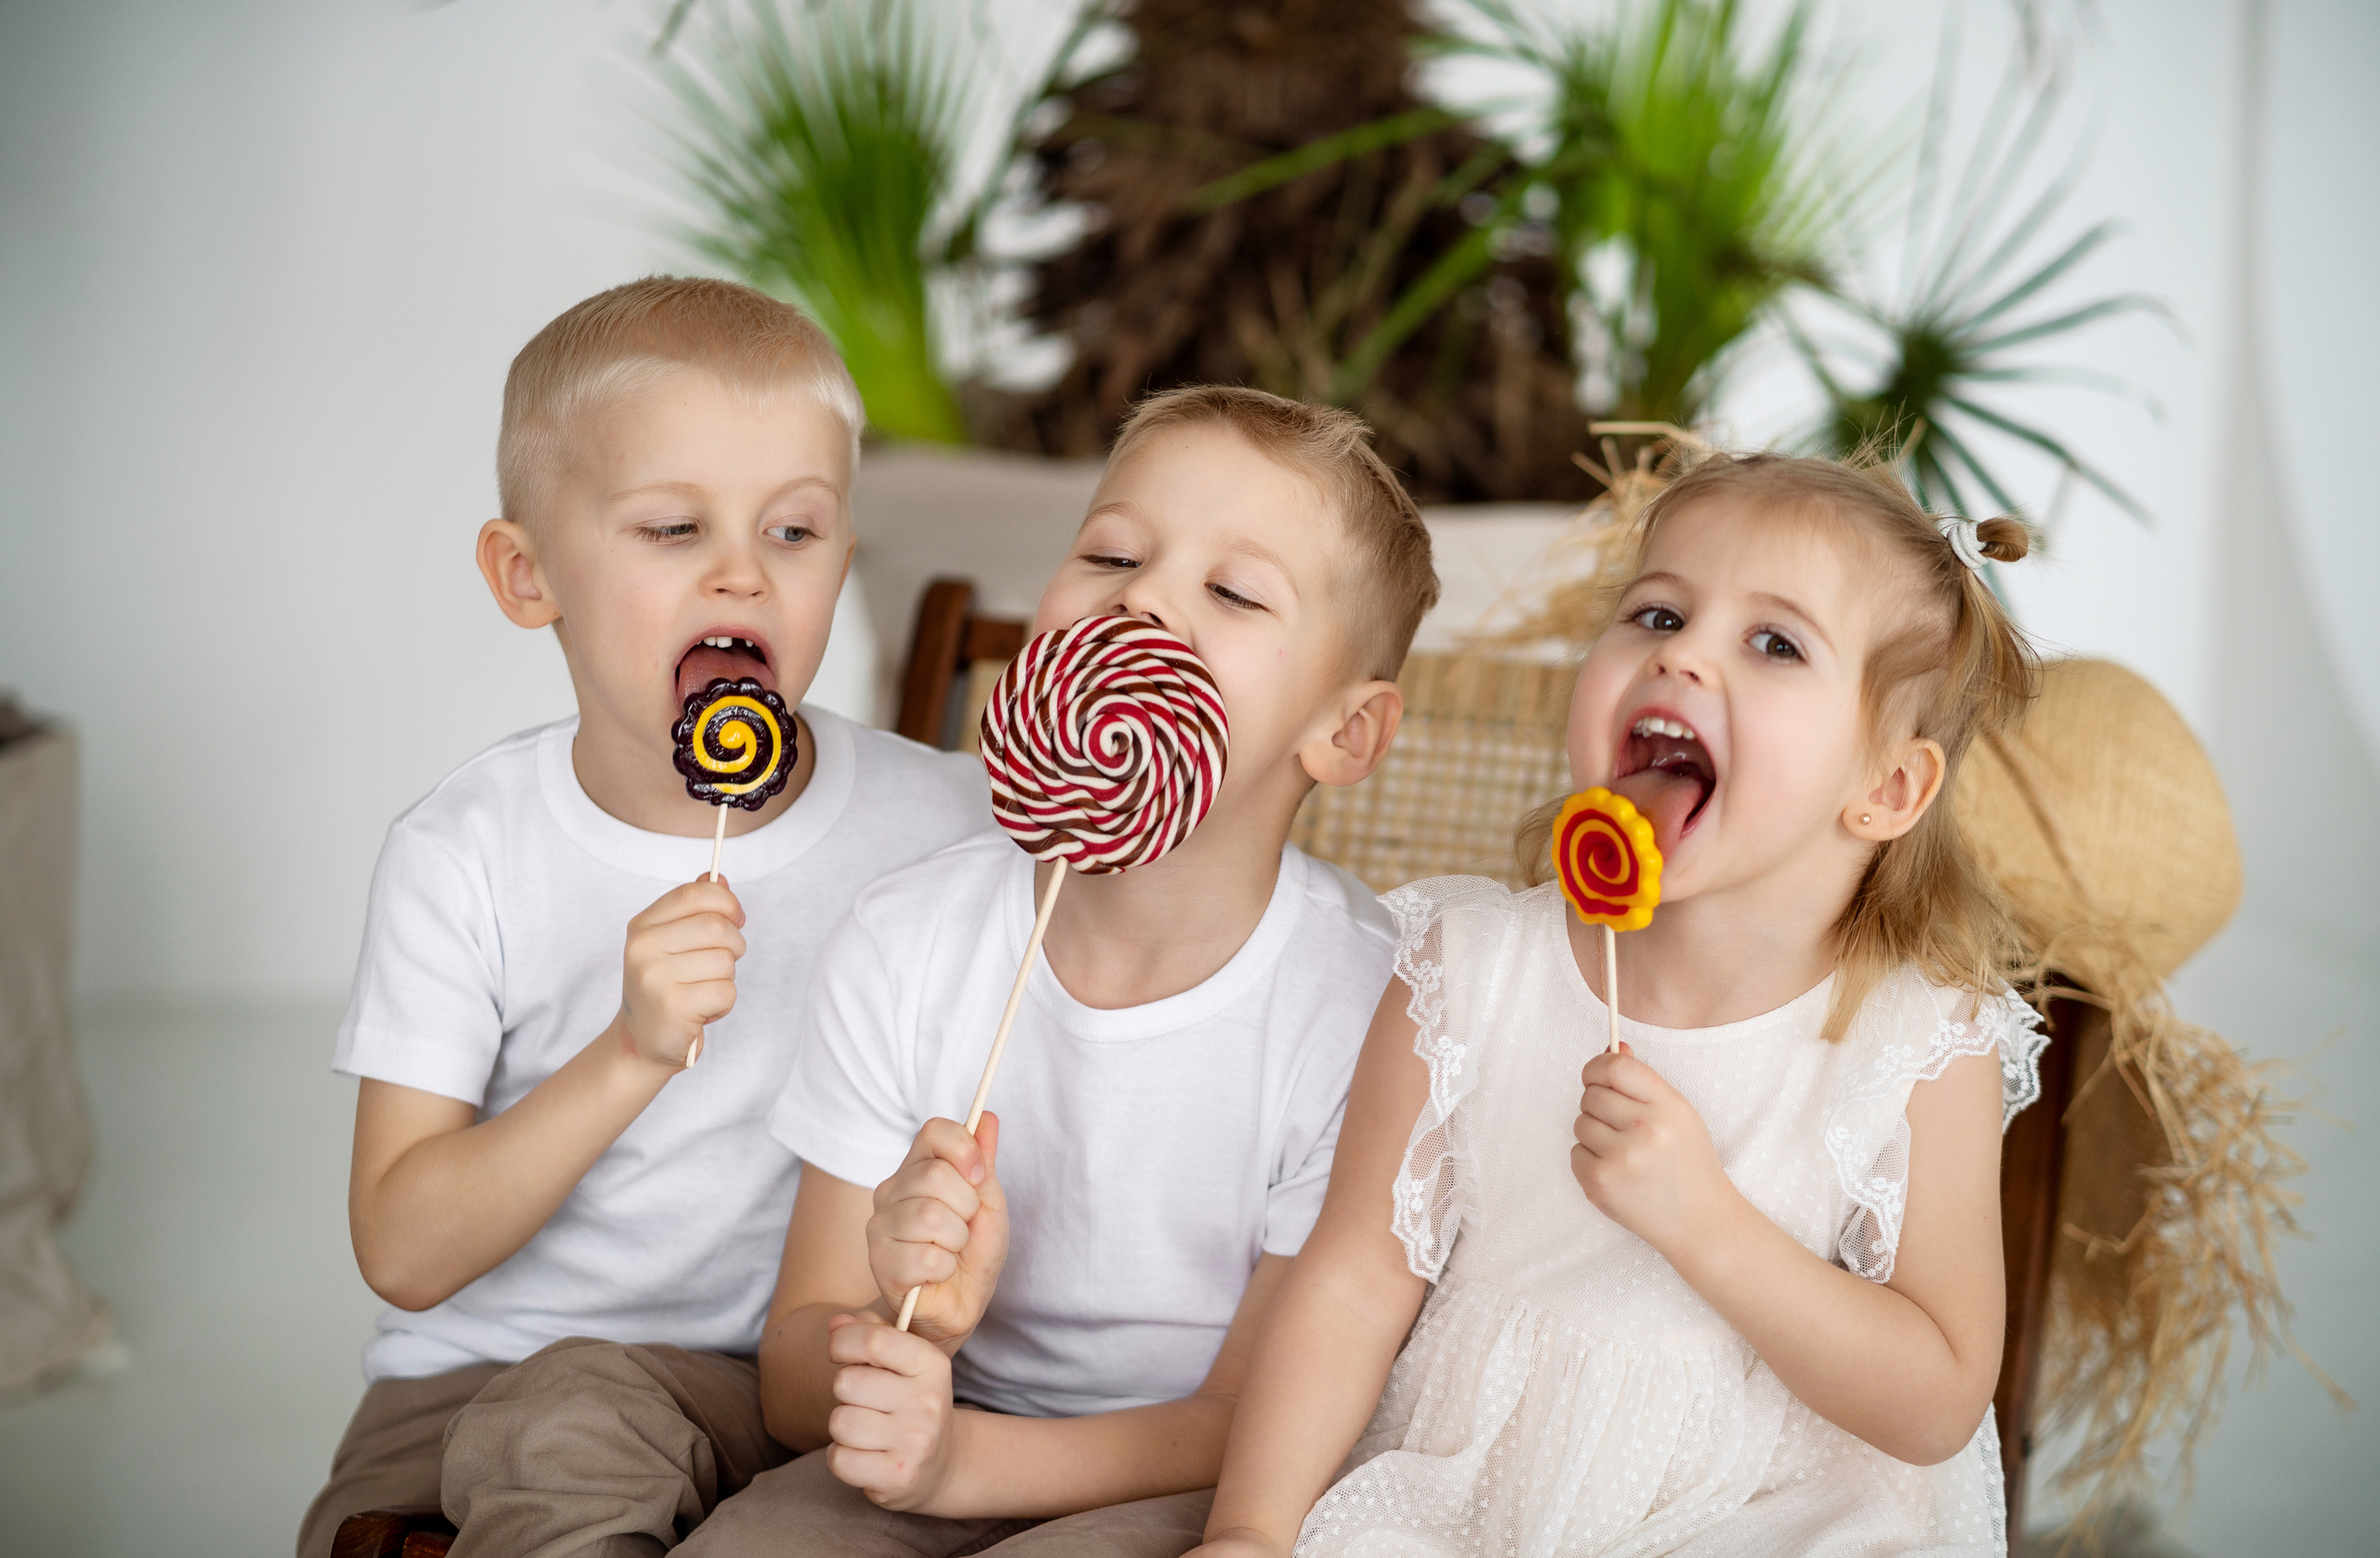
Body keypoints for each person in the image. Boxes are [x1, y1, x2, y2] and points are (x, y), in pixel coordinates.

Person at [1192, 452, 2052, 1557]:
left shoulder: (1916, 1042)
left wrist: (1706, 1224)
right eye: (1656, 613)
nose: (1682, 654)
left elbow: (1934, 1398)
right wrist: (1251, 1531)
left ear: (1885, 788)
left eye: (1774, 642)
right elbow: (1355, 1282)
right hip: (1471, 1492)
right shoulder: (1472, 971)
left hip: (1768, 1513)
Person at [680, 386, 1442, 1556]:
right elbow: (795, 1374)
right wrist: (900, 1319)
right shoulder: (909, 942)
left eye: (1232, 591)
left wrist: (963, 1466)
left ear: (1346, 734)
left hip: (1181, 1478)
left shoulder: (1363, 1009)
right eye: (1110, 553)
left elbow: (1252, 1423)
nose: (1141, 597)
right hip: (931, 1431)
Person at [298, 277, 992, 1558]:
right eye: (673, 526)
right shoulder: (466, 853)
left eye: (796, 531)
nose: (741, 570)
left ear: (846, 556)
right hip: (484, 1374)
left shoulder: (947, 824)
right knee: (560, 1436)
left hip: (781, 1380)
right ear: (528, 573)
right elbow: (401, 1246)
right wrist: (628, 1052)